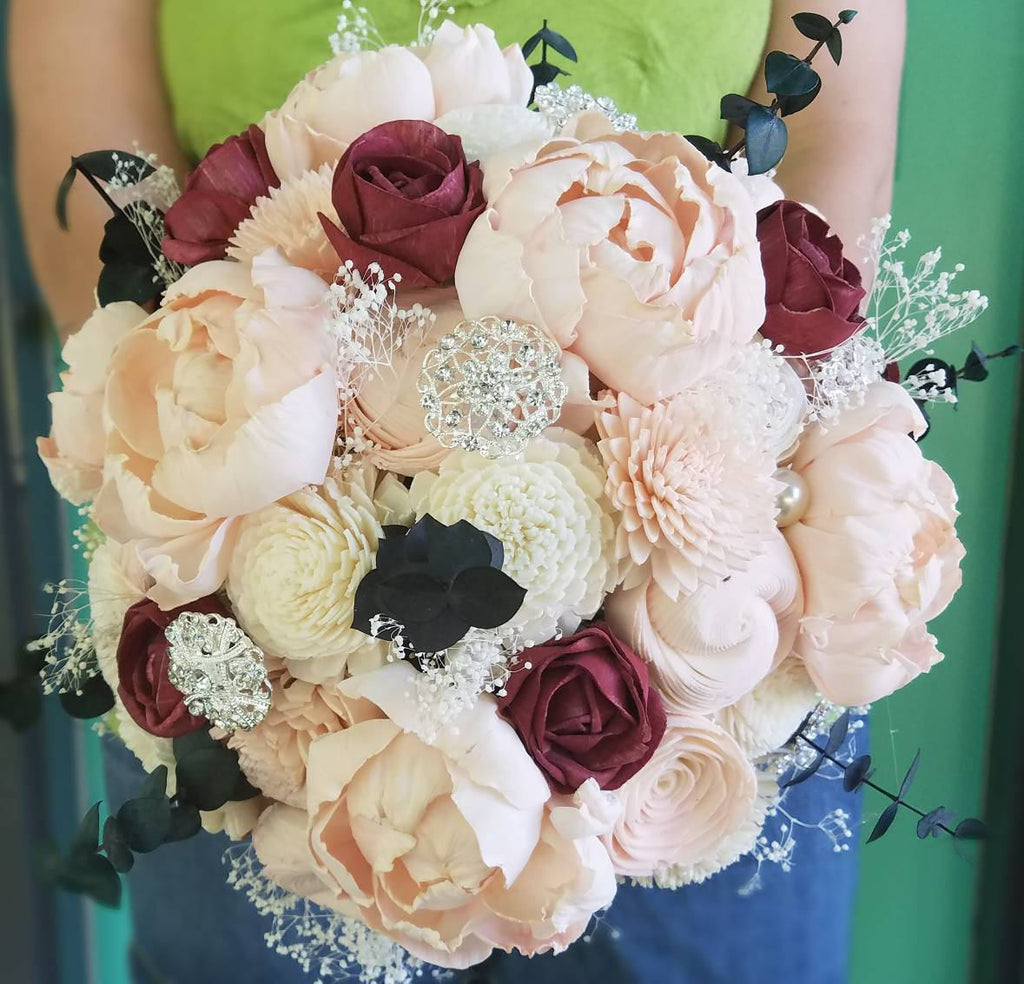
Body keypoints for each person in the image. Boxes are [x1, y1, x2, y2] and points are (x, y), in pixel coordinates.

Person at [9, 1, 906, 982]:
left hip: (702, 615)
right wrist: (278, 500)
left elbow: (833, 145)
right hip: (254, 633)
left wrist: (692, 465)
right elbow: (87, 149)